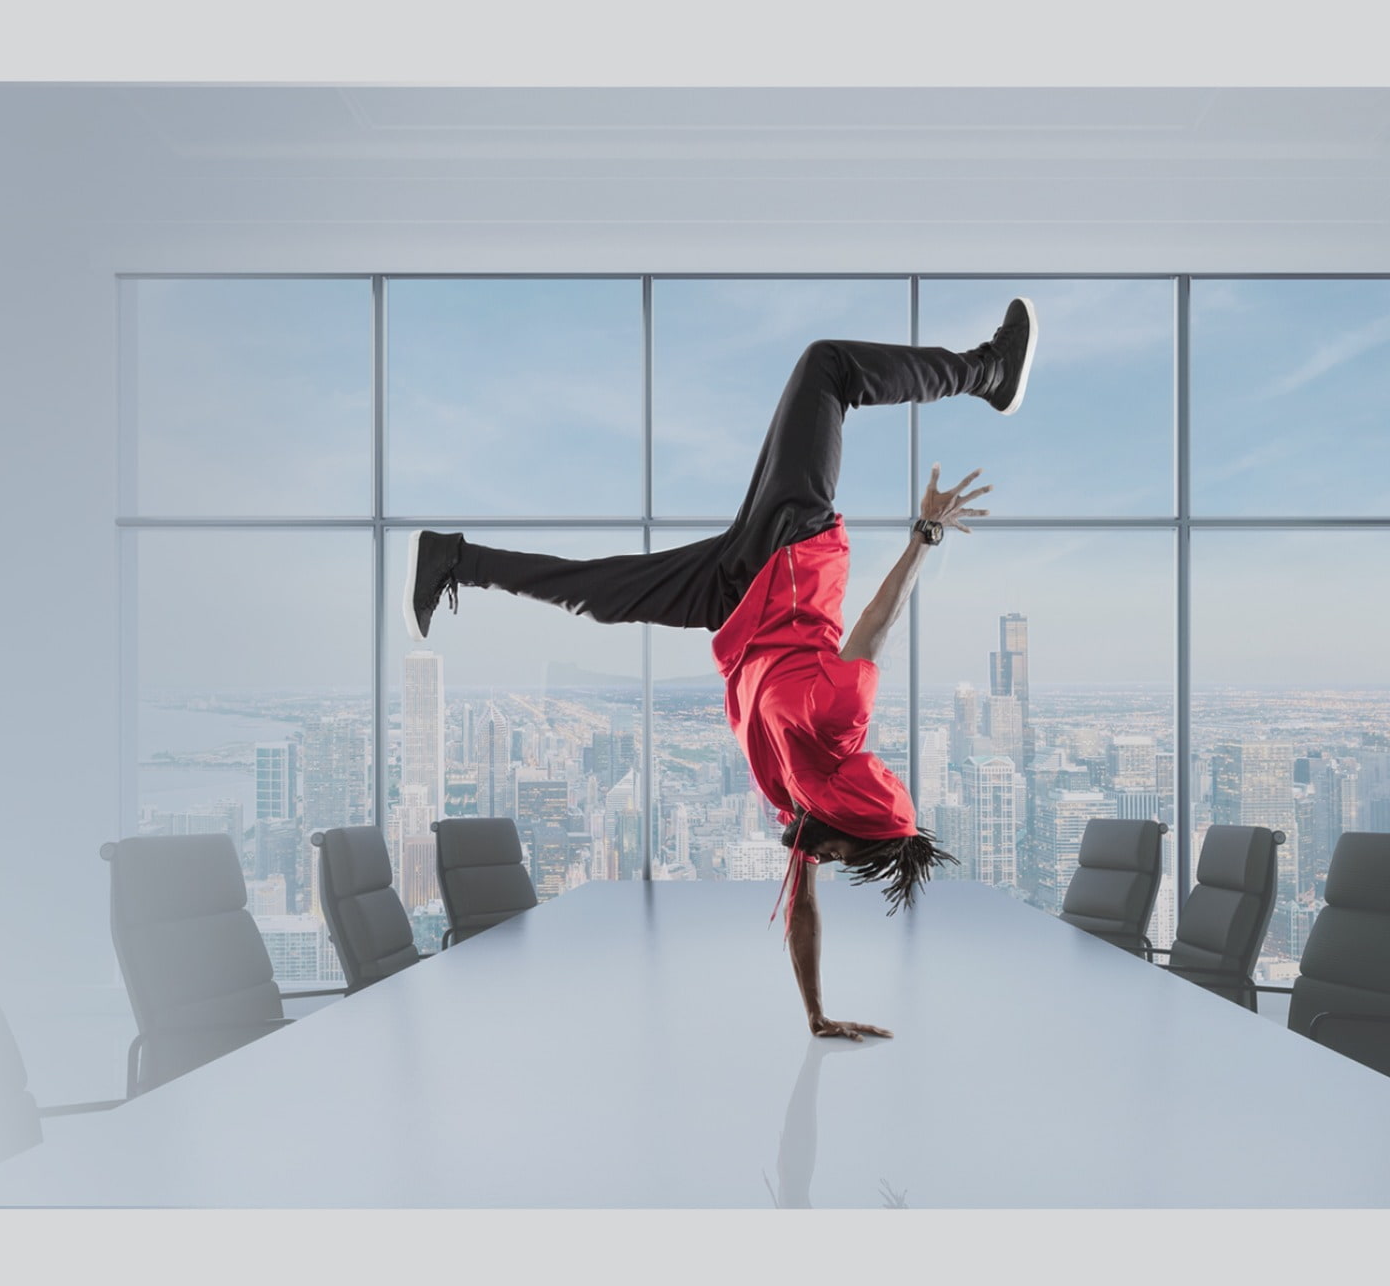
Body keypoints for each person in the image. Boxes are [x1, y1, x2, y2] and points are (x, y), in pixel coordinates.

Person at [402, 299, 1038, 1040]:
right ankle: (990, 369)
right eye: (838, 849)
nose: (821, 856)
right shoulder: (837, 726)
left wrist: (815, 1013)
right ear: (846, 811)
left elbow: (800, 907)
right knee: (827, 366)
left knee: (600, 593)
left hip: (737, 599)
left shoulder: (792, 794)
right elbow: (876, 623)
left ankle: (455, 560)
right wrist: (925, 534)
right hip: (791, 546)